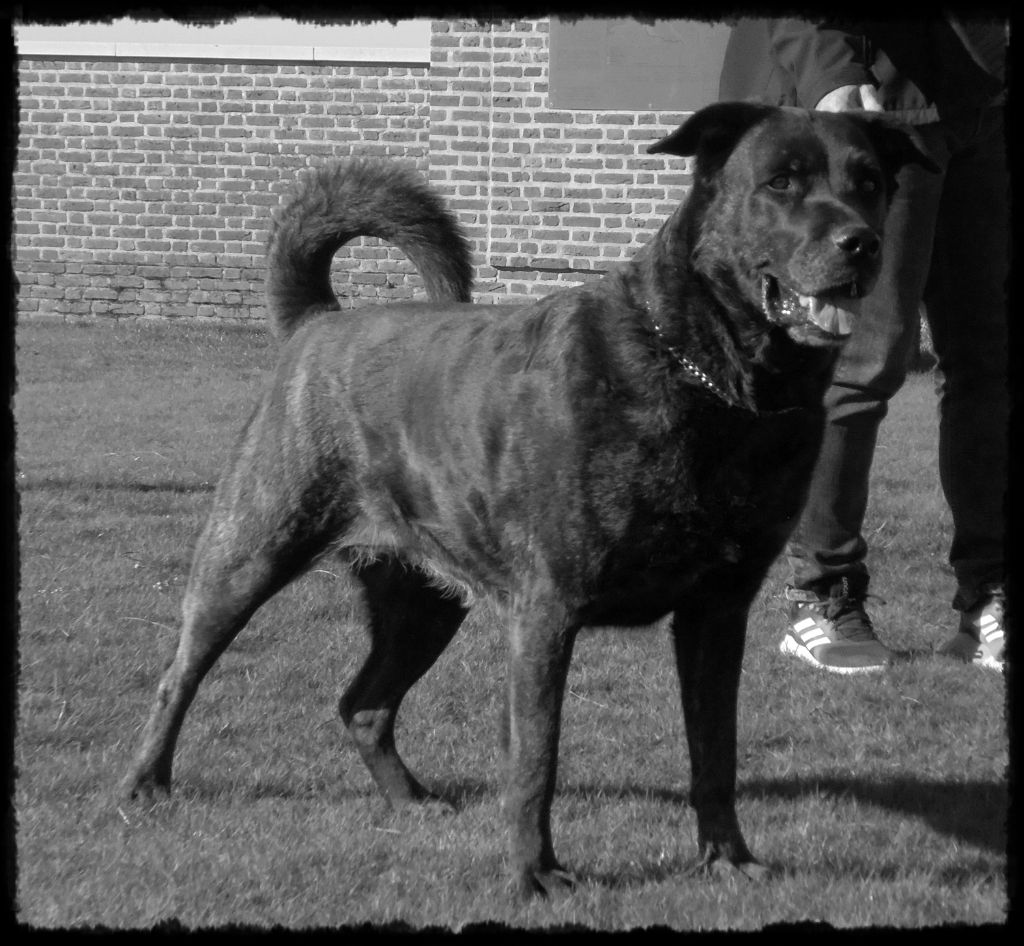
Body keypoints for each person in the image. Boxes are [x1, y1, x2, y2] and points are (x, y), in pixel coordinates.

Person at [718, 18, 1008, 673]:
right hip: (869, 104)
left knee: (992, 362)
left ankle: (989, 601)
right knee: (860, 361)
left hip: (981, 100)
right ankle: (823, 599)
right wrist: (831, 73)